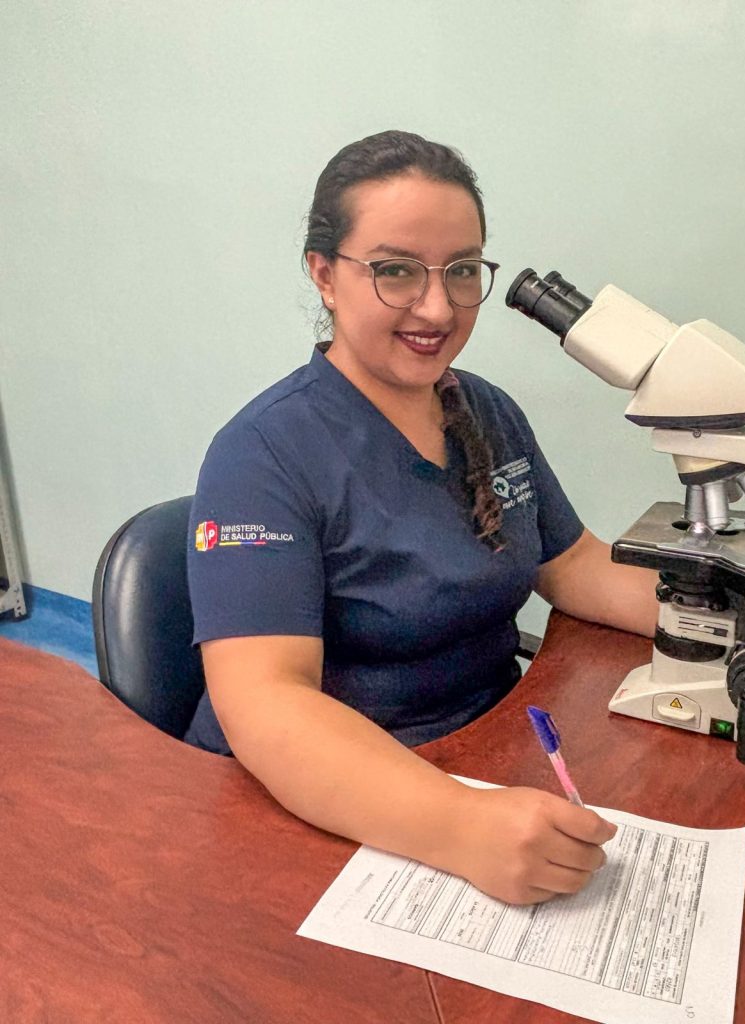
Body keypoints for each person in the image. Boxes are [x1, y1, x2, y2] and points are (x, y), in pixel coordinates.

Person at [186, 130, 658, 905]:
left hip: (483, 762)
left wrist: (732, 620)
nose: (437, 307)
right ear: (324, 274)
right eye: (396, 271)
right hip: (328, 808)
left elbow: (572, 563)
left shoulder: (486, 411)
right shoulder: (262, 455)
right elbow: (268, 704)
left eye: (462, 271)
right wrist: (460, 825)